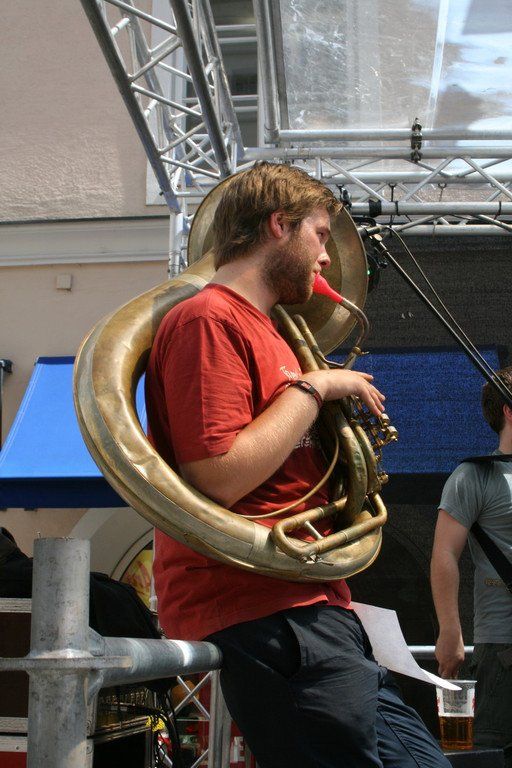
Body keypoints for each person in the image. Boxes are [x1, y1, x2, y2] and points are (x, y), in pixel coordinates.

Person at [145, 162, 450, 768]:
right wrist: (314, 390)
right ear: (278, 225)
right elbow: (219, 473)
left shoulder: (272, 331)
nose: (327, 257)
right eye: (319, 234)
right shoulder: (208, 317)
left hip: (310, 601)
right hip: (263, 606)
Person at [431, 366, 512, 766]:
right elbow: (444, 554)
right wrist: (451, 631)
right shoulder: (475, 476)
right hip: (504, 651)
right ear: (508, 410)